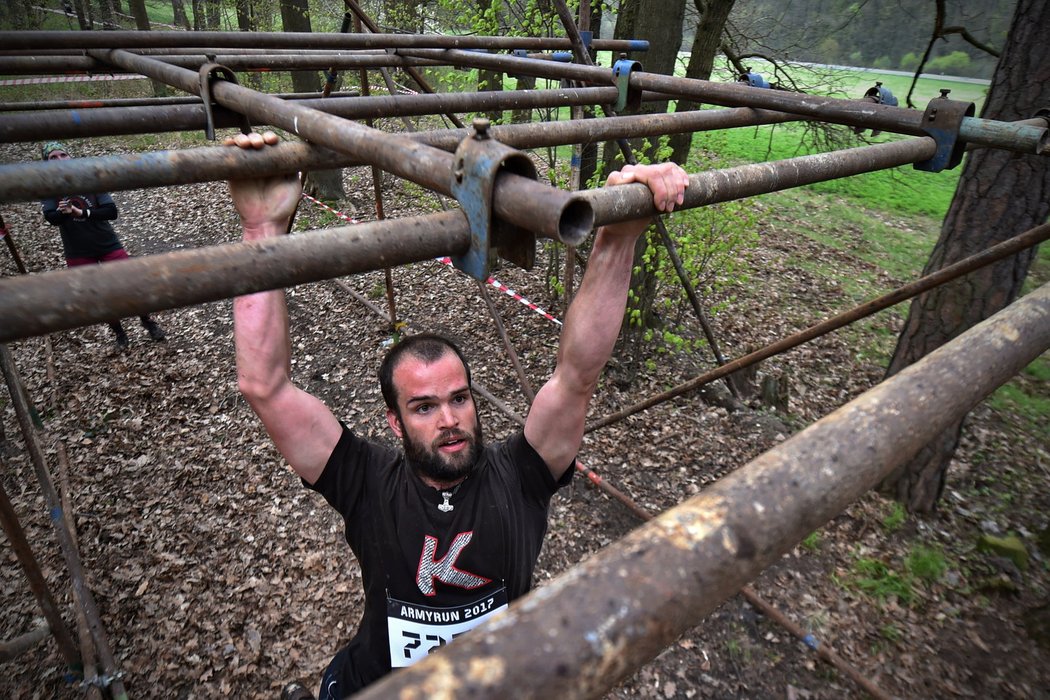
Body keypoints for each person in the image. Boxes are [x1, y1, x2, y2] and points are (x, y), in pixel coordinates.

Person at [227, 131, 689, 698]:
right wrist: (261, 229)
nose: (449, 418)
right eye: (423, 406)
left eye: (459, 398)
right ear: (395, 422)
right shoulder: (365, 481)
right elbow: (264, 385)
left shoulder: (521, 475)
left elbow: (576, 378)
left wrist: (618, 238)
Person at [40, 141, 167, 350]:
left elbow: (111, 211)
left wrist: (83, 213)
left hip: (107, 243)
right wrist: (62, 213)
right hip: (78, 250)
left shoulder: (88, 178)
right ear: (45, 162)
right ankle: (119, 334)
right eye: (53, 157)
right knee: (97, 294)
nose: (59, 159)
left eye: (62, 155)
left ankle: (148, 322)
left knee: (130, 284)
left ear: (70, 157)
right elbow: (50, 217)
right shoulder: (46, 186)